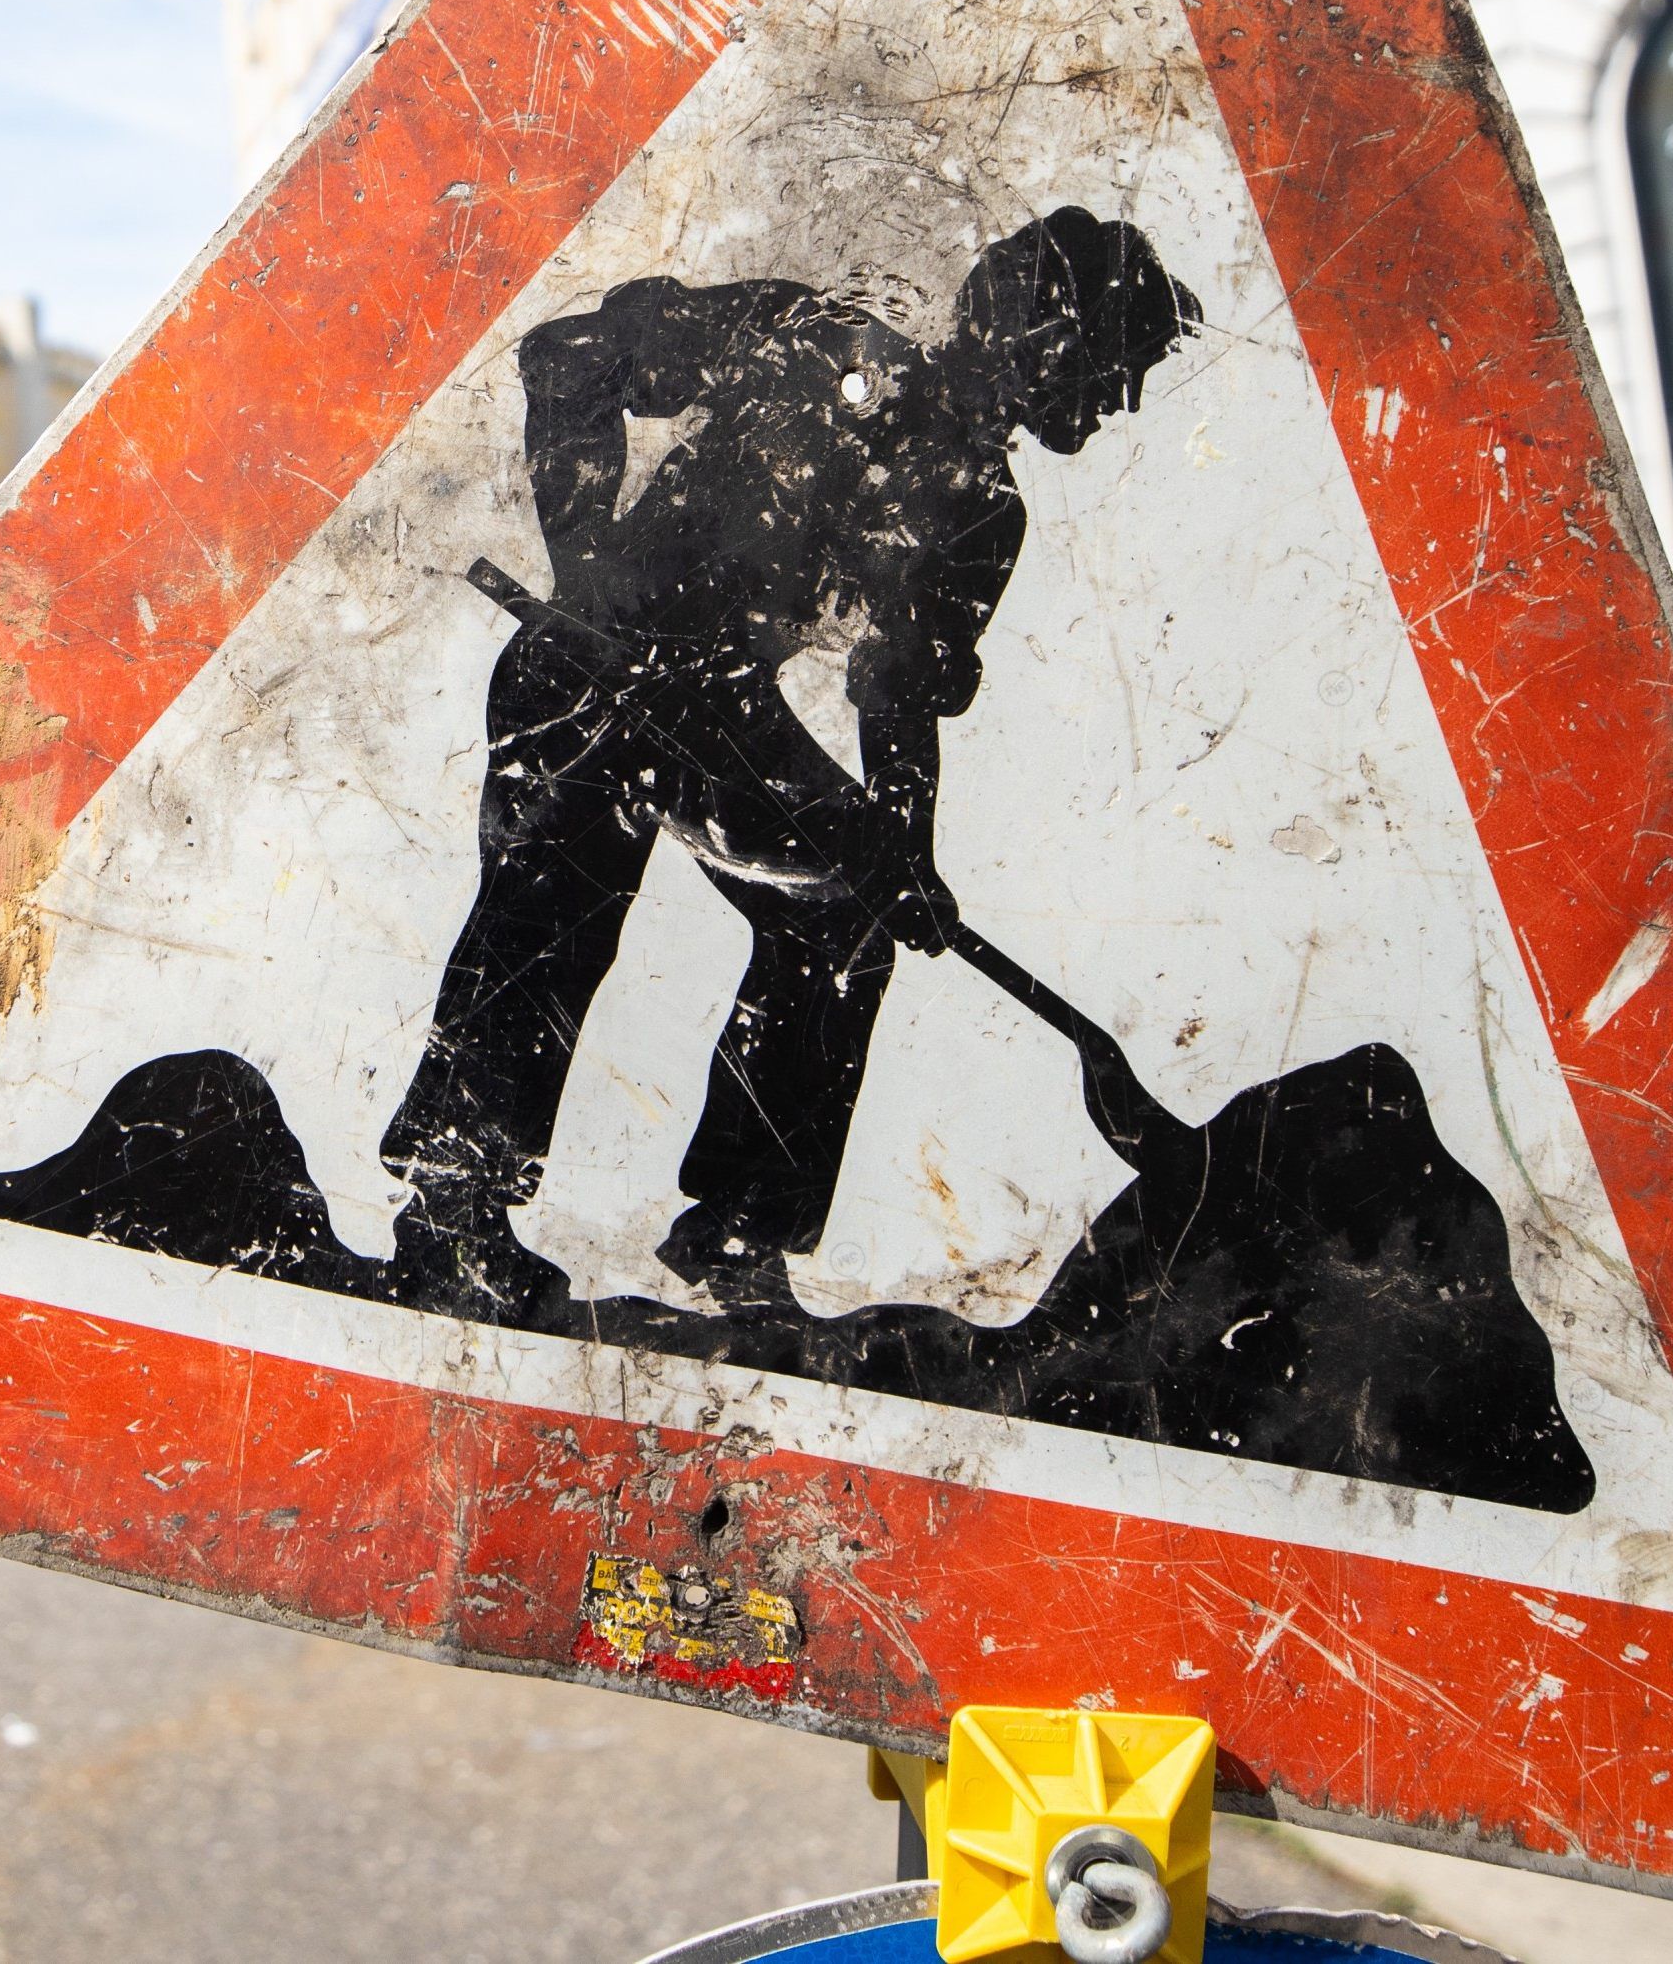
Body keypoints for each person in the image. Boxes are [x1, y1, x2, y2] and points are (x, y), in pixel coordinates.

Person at [378, 206, 1202, 1321]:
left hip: (716, 710)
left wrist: (899, 853)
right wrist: (583, 563)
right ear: (1052, 336)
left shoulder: (980, 512)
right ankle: (451, 1215)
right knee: (554, 899)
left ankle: (736, 1233)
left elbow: (897, 693)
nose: (1122, 402)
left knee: (846, 909)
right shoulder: (815, 340)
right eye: (1117, 367)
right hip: (586, 669)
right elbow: (566, 354)